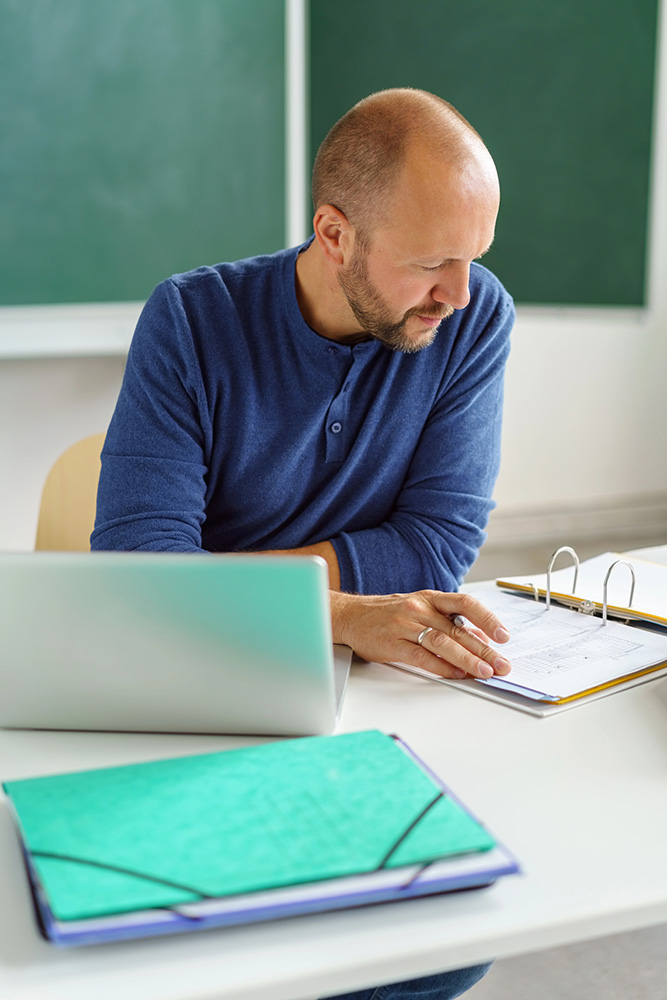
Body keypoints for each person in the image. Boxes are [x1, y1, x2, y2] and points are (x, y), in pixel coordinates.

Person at [92, 88, 513, 999]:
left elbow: (438, 543)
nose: (460, 293)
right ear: (334, 234)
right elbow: (134, 580)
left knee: (444, 942)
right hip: (194, 690)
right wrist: (343, 612)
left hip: (362, 701)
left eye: (475, 258)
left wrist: (216, 584)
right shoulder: (190, 321)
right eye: (434, 262)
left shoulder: (472, 320)